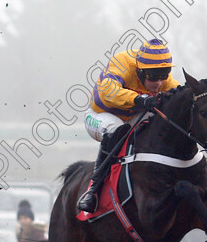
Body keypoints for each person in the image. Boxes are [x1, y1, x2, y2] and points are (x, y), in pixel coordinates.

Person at [77, 39, 181, 213]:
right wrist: (139, 99)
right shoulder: (121, 62)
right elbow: (108, 91)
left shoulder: (159, 74)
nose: (158, 83)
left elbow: (181, 94)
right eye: (153, 77)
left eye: (164, 75)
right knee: (118, 129)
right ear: (139, 70)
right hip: (101, 116)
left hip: (132, 117)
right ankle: (93, 189)